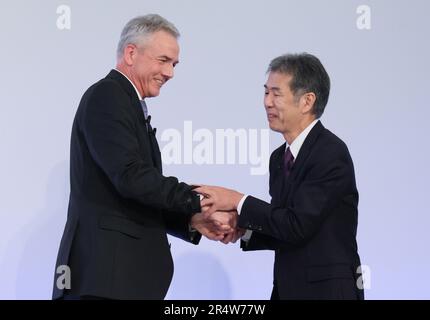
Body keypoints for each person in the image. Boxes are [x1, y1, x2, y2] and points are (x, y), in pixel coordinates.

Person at [52, 14, 231, 300]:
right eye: (163, 60)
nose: (170, 72)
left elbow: (133, 196)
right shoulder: (108, 96)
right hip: (106, 283)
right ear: (131, 53)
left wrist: (191, 220)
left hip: (119, 282)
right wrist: (200, 199)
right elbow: (131, 177)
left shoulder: (128, 102)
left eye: (174, 64)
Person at [196, 53, 364, 300]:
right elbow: (282, 225)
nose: (267, 102)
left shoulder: (330, 152)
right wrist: (241, 227)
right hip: (288, 289)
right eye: (266, 92)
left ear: (307, 101)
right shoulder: (279, 158)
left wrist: (238, 201)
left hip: (326, 292)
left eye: (276, 93)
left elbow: (297, 225)